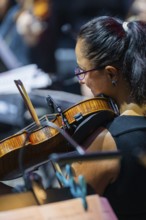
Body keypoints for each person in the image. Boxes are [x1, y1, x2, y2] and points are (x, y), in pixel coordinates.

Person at [71, 16, 146, 220]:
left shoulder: (108, 142)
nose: (83, 80)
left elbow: (70, 210)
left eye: (83, 71)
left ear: (111, 73)